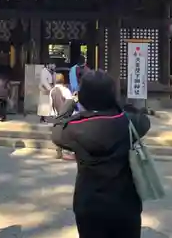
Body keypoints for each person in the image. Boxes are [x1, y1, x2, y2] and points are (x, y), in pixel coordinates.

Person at [52, 70, 151, 238]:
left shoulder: (76, 128)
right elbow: (143, 119)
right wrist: (117, 103)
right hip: (126, 204)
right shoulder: (128, 122)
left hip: (90, 204)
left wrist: (72, 101)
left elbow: (57, 129)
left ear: (83, 96)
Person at [49, 73, 74, 159]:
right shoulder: (66, 90)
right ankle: (67, 151)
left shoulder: (52, 91)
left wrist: (53, 114)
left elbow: (51, 104)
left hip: (56, 115)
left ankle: (58, 151)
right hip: (65, 115)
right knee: (65, 133)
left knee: (57, 133)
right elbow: (70, 103)